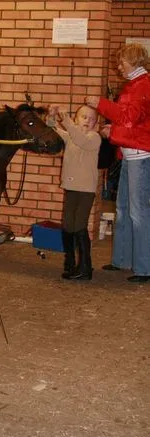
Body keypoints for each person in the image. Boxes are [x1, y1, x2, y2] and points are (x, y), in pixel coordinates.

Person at [86, 42, 150, 283]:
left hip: (140, 158)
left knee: (138, 212)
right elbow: (132, 121)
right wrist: (113, 130)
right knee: (122, 210)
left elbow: (128, 117)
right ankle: (121, 260)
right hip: (130, 154)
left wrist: (100, 103)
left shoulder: (142, 86)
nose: (118, 66)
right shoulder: (134, 85)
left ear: (134, 61)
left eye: (122, 62)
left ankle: (144, 268)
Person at [49, 105, 101, 280]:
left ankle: (86, 267)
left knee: (79, 224)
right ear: (77, 119)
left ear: (96, 123)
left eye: (91, 118)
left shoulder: (94, 138)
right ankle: (70, 263)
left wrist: (67, 121)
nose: (87, 120)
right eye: (83, 117)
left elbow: (81, 140)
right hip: (71, 188)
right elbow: (53, 131)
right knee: (68, 225)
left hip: (86, 190)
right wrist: (51, 116)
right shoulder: (71, 136)